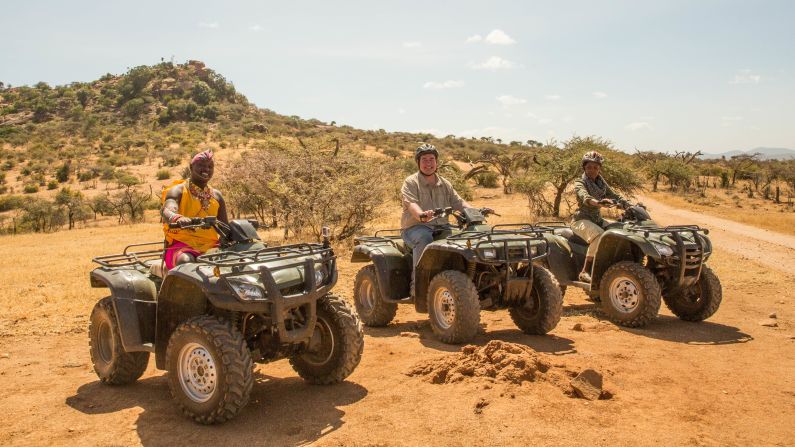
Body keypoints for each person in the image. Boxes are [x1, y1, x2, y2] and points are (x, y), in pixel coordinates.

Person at [400, 143, 472, 270]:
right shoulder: (411, 182)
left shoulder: (445, 183)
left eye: (431, 159)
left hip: (443, 227)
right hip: (416, 228)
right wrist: (421, 215)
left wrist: (475, 212)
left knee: (463, 239)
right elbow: (411, 204)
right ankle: (417, 285)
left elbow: (458, 202)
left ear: (437, 162)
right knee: (424, 238)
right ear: (418, 162)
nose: (428, 163)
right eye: (424, 160)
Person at [160, 150, 228, 269]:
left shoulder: (217, 196)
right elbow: (167, 209)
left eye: (210, 166)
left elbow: (225, 227)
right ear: (191, 167)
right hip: (182, 245)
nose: (206, 169)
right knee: (185, 261)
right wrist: (177, 218)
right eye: (201, 165)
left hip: (211, 245)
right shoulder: (178, 190)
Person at [571, 150, 628, 282]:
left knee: (621, 229)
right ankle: (585, 271)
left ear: (599, 169)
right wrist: (598, 203)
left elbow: (614, 195)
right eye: (589, 167)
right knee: (599, 235)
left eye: (596, 167)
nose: (592, 170)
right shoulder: (580, 182)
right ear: (584, 168)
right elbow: (584, 196)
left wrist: (628, 203)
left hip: (597, 219)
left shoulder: (601, 183)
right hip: (581, 220)